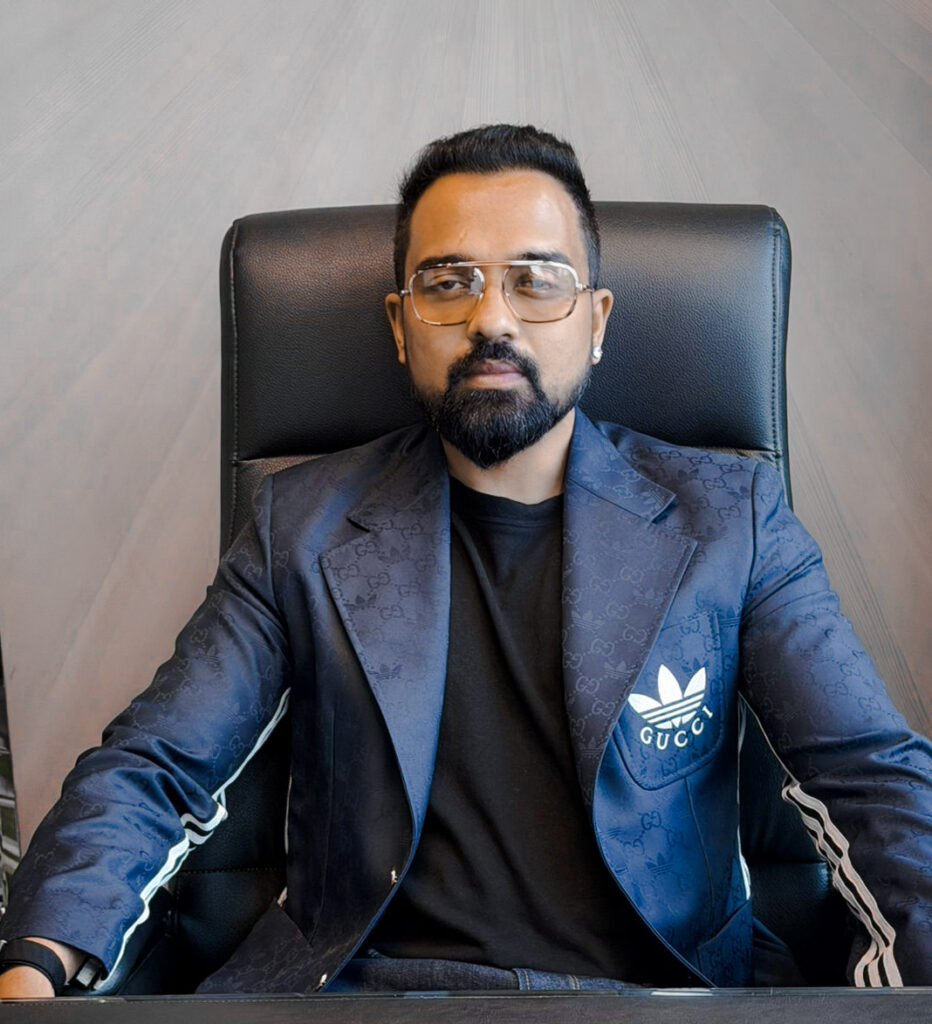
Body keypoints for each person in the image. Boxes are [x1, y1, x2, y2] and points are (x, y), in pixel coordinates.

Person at [0, 125, 930, 999]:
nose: (492, 319)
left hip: (652, 998)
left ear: (596, 320)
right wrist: (34, 967)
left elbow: (868, 775)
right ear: (401, 325)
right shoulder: (301, 526)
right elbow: (156, 764)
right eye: (448, 283)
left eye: (537, 280)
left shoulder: (731, 520)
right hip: (368, 1002)